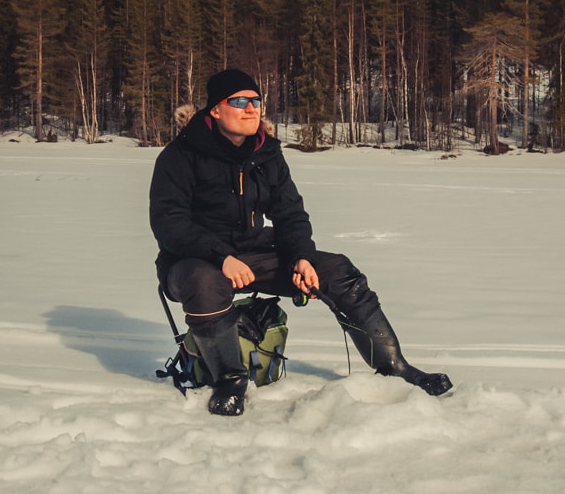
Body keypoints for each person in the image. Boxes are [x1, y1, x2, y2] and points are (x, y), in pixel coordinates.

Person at [149, 68, 452, 416]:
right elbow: (169, 223)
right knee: (205, 281)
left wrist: (302, 258)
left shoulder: (265, 153)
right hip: (191, 261)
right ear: (215, 110)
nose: (251, 109)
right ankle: (230, 380)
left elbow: (290, 213)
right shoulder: (180, 156)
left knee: (337, 269)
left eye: (256, 101)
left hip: (252, 251)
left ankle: (394, 368)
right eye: (239, 101)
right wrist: (221, 257)